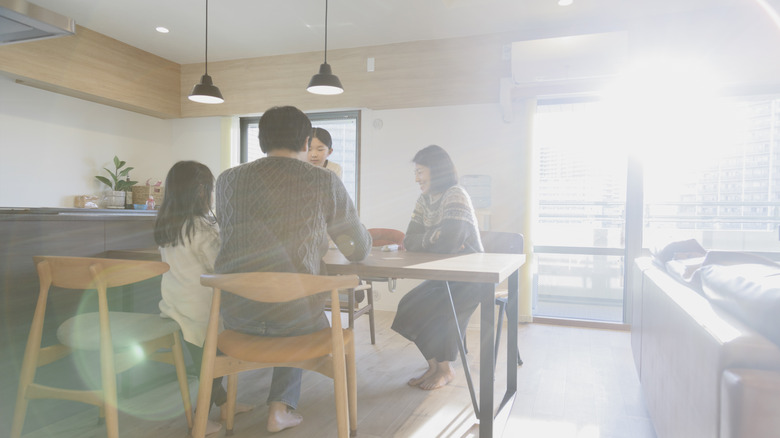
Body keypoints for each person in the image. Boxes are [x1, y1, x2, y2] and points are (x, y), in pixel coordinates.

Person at [214, 106, 372, 433]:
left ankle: (227, 405)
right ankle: (280, 408)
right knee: (299, 303)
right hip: (295, 318)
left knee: (288, 296)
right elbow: (357, 248)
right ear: (304, 141)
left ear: (260, 140)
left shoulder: (227, 180)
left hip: (235, 316)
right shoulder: (323, 179)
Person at [154, 161, 252, 435]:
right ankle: (200, 420)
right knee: (214, 362)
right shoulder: (200, 227)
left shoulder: (169, 225)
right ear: (201, 191)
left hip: (174, 304)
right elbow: (219, 267)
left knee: (206, 360)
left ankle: (224, 404)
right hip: (202, 310)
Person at [390, 145, 490, 390]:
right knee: (408, 307)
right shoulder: (425, 199)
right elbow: (410, 239)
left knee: (440, 310)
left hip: (471, 277)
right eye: (416, 172)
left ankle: (445, 370)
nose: (416, 178)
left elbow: (448, 243)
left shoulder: (455, 194)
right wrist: (435, 237)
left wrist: (433, 239)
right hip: (443, 274)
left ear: (436, 171)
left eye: (420, 172)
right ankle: (434, 366)